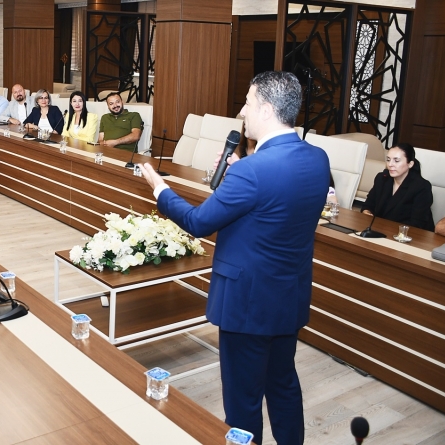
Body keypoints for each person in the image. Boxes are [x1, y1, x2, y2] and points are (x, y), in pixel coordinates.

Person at [139, 71, 330, 445]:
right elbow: (275, 206)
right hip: (287, 298)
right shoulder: (317, 159)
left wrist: (160, 189)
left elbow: (198, 222)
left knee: (242, 400)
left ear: (268, 109)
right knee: (283, 384)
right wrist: (240, 169)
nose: (242, 111)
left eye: (247, 102)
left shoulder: (253, 172)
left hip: (247, 304)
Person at [361, 143, 435, 231]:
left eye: (396, 161)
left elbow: (417, 223)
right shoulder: (382, 178)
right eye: (388, 160)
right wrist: (367, 213)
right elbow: (368, 205)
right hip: (381, 231)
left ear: (410, 164)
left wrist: (385, 228)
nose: (390, 164)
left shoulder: (421, 187)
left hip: (410, 236)